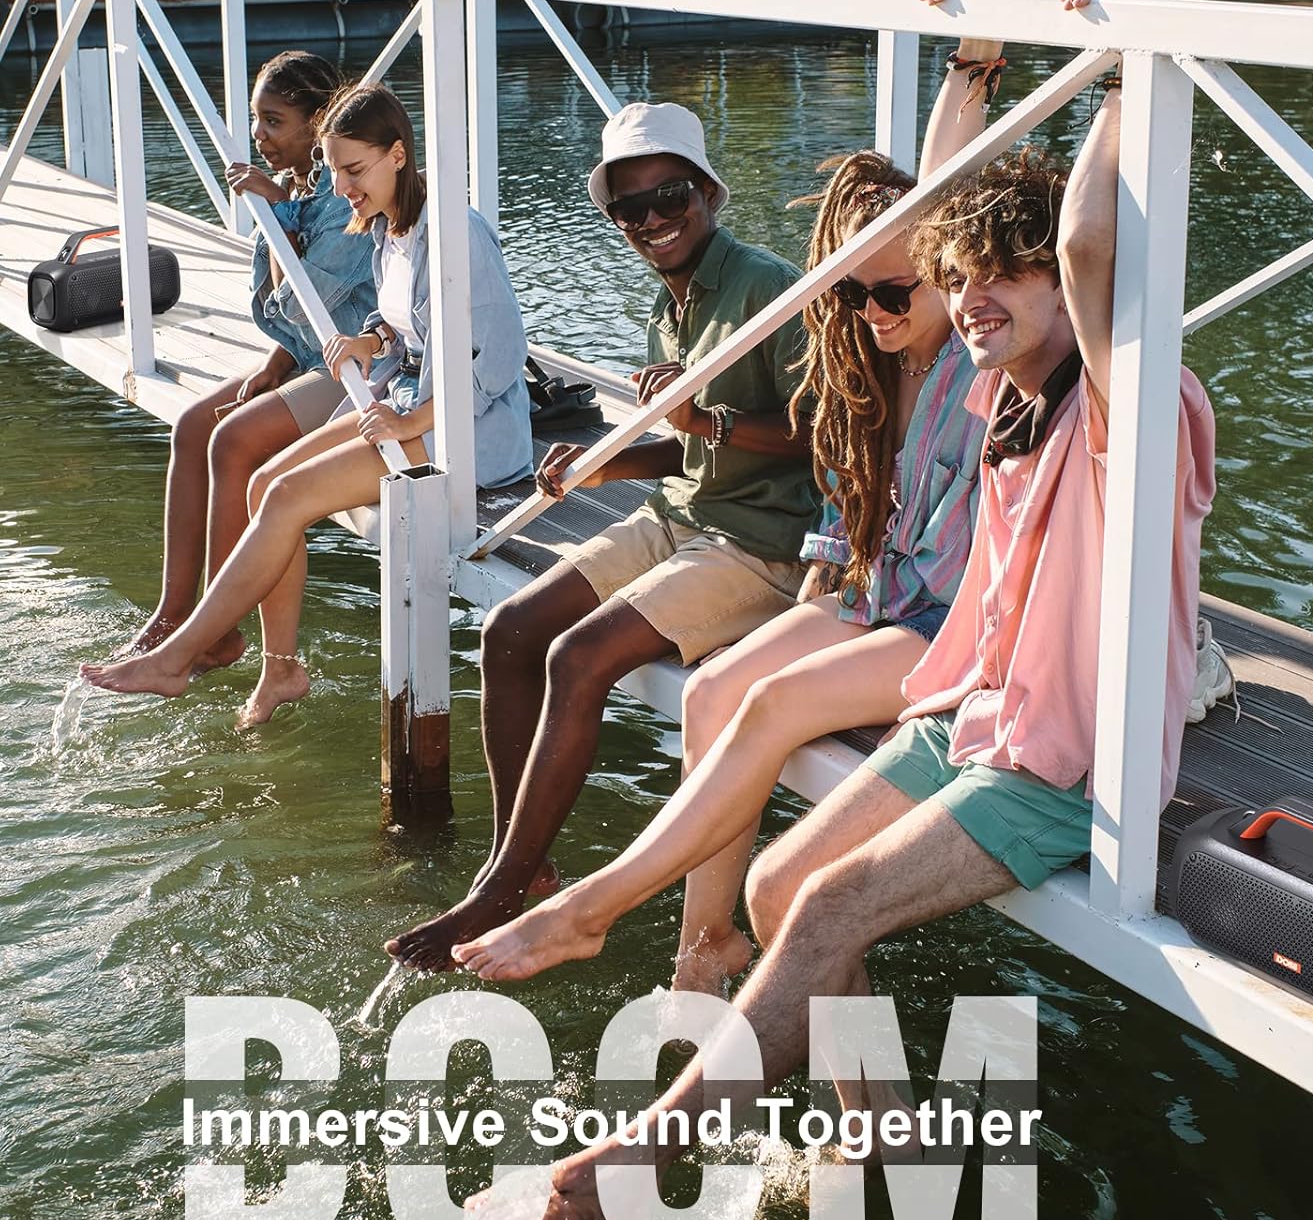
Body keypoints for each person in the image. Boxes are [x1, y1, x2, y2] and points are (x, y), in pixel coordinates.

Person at [464, 0, 1218, 1220]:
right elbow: (937, 223)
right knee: (775, 888)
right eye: (961, 280)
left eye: (1009, 279)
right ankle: (881, 1132)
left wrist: (1128, 63)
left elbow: (1091, 248)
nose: (969, 300)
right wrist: (974, 62)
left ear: (1072, 295)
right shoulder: (995, 393)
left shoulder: (1128, 413)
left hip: (1062, 766)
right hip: (967, 715)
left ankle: (631, 1164)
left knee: (822, 907)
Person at [449, 131, 990, 994]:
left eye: (892, 292)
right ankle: (700, 947)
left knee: (758, 763)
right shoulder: (872, 355)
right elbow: (840, 492)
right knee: (693, 691)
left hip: (934, 618)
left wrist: (975, 71)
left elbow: (973, 204)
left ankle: (584, 906)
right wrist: (612, 463)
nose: (871, 311)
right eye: (851, 293)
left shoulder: (982, 367)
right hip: (862, 582)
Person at [384, 101, 818, 971]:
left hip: (759, 544)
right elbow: (688, 446)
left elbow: (822, 434)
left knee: (578, 658)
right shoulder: (670, 301)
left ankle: (501, 888)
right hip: (680, 516)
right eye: (629, 209)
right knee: (510, 631)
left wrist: (708, 422)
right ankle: (522, 861)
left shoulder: (769, 289)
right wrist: (602, 467)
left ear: (707, 193)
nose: (652, 220)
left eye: (669, 198)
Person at [81, 84, 533, 722]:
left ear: (397, 155)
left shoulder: (457, 233)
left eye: (355, 170)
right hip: (405, 405)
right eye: (335, 171)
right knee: (264, 482)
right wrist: (372, 339)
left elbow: (497, 358)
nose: (342, 188)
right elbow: (404, 321)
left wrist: (413, 420)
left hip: (470, 433)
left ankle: (176, 657)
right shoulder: (388, 226)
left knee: (289, 496)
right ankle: (281, 670)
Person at [122, 51, 376, 669]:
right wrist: (275, 361)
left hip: (359, 369)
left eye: (274, 121)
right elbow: (297, 325)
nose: (258, 136)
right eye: (256, 119)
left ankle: (217, 629)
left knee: (233, 442)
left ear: (318, 124)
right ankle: (173, 612)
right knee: (193, 426)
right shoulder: (301, 185)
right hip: (310, 356)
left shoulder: (344, 199)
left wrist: (278, 214)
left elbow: (306, 301)